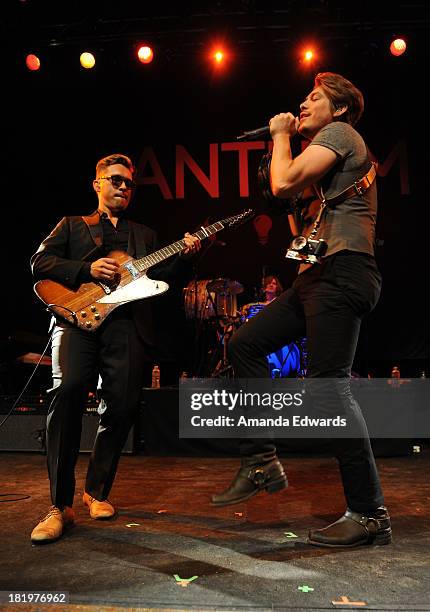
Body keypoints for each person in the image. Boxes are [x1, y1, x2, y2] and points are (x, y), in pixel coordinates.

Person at [212, 72, 392, 548]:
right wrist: (281, 149)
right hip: (317, 278)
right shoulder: (328, 165)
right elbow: (284, 194)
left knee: (329, 391)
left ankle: (370, 513)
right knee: (245, 342)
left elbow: (286, 180)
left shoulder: (341, 134)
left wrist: (277, 136)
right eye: (305, 98)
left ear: (339, 111)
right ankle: (261, 460)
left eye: (315, 98)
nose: (303, 104)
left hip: (344, 273)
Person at [30, 153, 200, 544]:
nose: (123, 187)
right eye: (115, 180)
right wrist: (85, 270)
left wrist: (189, 257)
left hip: (126, 325)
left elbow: (164, 281)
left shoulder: (145, 235)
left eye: (129, 183)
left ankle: (96, 491)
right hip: (77, 320)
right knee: (69, 391)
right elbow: (40, 263)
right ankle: (60, 506)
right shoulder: (72, 226)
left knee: (122, 406)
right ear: (98, 184)